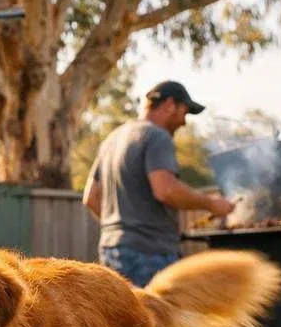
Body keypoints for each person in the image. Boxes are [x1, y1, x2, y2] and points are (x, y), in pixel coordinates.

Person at [82, 80, 235, 288]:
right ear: (170, 104)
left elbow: (91, 198)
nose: (184, 122)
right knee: (159, 319)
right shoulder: (156, 136)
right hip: (149, 255)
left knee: (125, 320)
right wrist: (211, 204)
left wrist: (126, 227)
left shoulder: (112, 139)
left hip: (112, 252)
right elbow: (166, 190)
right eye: (184, 112)